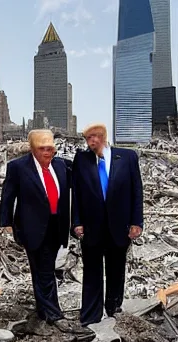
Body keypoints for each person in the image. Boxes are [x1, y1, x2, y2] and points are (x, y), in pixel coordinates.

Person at [0, 129, 85, 334]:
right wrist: (7, 223)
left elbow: (83, 177)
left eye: (51, 149)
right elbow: (8, 196)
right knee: (45, 269)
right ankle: (54, 314)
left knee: (41, 270)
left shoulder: (62, 165)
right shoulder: (18, 168)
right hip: (32, 228)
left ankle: (43, 310)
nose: (48, 153)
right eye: (43, 149)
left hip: (57, 226)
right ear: (33, 149)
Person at [71, 123, 143, 326]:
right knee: (92, 272)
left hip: (119, 226)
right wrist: (76, 222)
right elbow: (76, 193)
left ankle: (114, 310)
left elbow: (136, 191)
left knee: (116, 270)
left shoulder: (127, 157)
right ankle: (90, 316)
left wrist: (136, 222)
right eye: (87, 138)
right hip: (92, 227)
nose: (90, 141)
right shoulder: (82, 160)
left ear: (103, 136)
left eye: (93, 137)